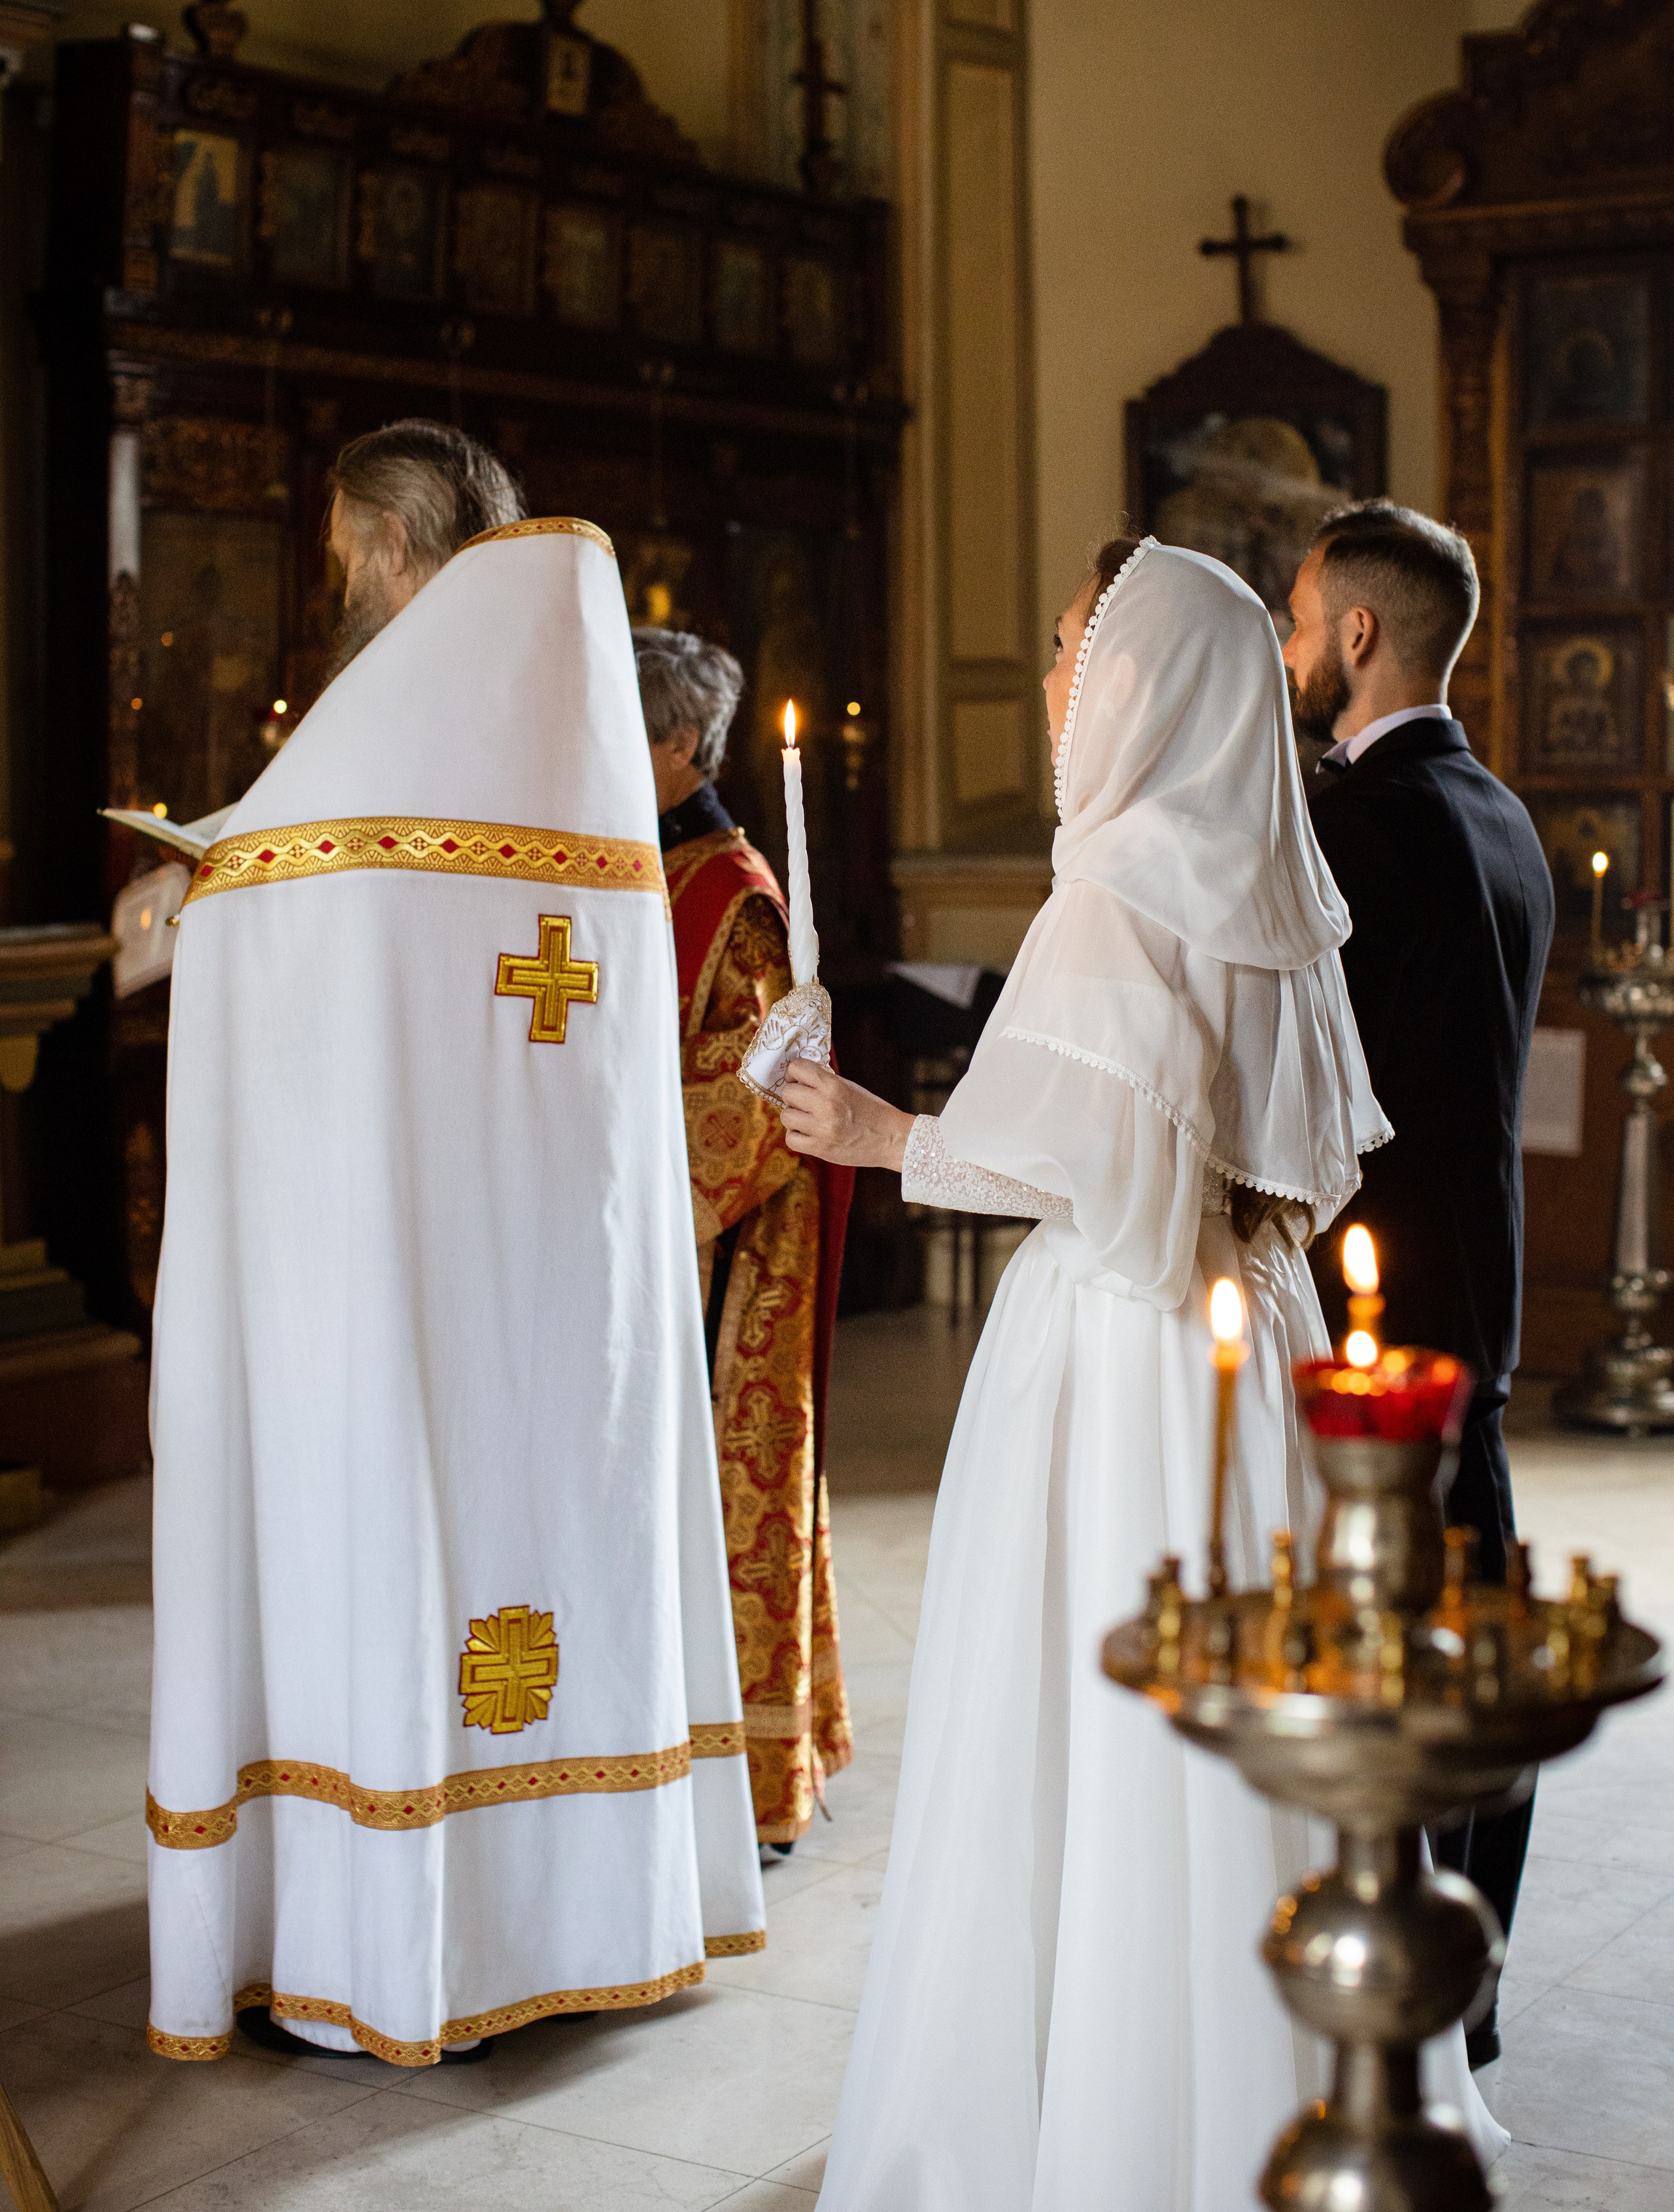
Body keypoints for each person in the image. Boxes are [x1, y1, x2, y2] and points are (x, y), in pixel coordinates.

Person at [782, 536, 1506, 2207]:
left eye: (1071, 645)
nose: (1052, 680)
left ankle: (1083, 2124)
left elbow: (1099, 1166)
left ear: (1142, 676)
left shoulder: (1115, 881)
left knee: (1087, 1708)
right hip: (1258, 1336)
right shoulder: (1269, 887)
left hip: (1119, 1346)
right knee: (1243, 1710)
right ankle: (1276, 2090)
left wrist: (883, 1133)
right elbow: (1287, 1161)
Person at [145, 422, 762, 2068]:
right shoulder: (569, 725)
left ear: (394, 548)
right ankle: (574, 1912)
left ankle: (391, 1924)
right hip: (557, 1265)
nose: (340, 587)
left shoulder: (373, 737)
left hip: (394, 1253)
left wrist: (203, 901)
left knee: (402, 1536)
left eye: (347, 556)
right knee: (540, 1512)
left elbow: (279, 930)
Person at [1284, 499, 1554, 2070]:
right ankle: (1472, 1981)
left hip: (1373, 1293)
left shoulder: (1351, 824)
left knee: (1395, 1654)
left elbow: (1314, 1088)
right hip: (1479, 1283)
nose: (1288, 649)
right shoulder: (1498, 809)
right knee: (1479, 1628)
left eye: (1297, 620)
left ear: (1357, 632)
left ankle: (1411, 1991)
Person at [633, 624, 853, 1852]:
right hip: (659, 1236)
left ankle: (751, 1784)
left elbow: (775, 1080)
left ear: (679, 743)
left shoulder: (738, 893)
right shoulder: (635, 869)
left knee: (729, 1505)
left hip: (738, 1248)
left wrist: (626, 1135)